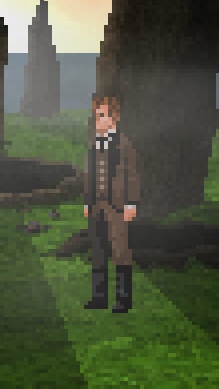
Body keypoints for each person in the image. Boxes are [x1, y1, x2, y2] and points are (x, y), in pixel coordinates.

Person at [83, 93, 138, 313]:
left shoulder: (124, 145)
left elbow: (131, 176)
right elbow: (89, 176)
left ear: (113, 118)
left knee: (120, 250)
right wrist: (87, 202)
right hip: (97, 205)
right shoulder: (93, 145)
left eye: (101, 116)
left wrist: (131, 204)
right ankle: (99, 297)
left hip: (117, 205)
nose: (97, 120)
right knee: (98, 249)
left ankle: (123, 299)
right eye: (96, 116)